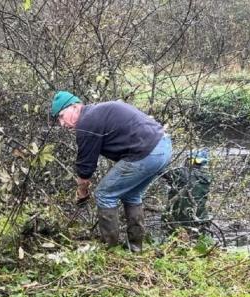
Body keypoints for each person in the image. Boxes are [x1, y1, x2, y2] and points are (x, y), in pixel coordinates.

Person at [51, 91, 172, 252]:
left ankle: (110, 251)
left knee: (104, 194)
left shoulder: (86, 123)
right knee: (132, 195)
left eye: (61, 116)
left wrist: (82, 192)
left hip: (147, 152)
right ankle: (135, 248)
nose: (62, 123)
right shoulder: (96, 113)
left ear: (74, 107)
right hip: (163, 146)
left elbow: (85, 167)